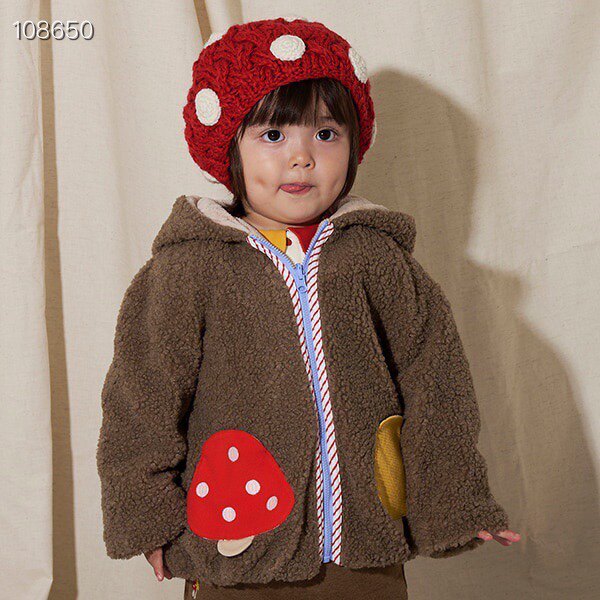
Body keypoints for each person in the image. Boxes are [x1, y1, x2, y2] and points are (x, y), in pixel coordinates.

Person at [96, 15, 520, 599]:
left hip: (364, 544)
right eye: (273, 135)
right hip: (237, 544)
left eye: (325, 134)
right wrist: (148, 516)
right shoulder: (188, 269)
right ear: (231, 147)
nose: (301, 158)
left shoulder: (376, 257)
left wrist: (455, 499)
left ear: (353, 144)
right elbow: (140, 396)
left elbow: (436, 382)